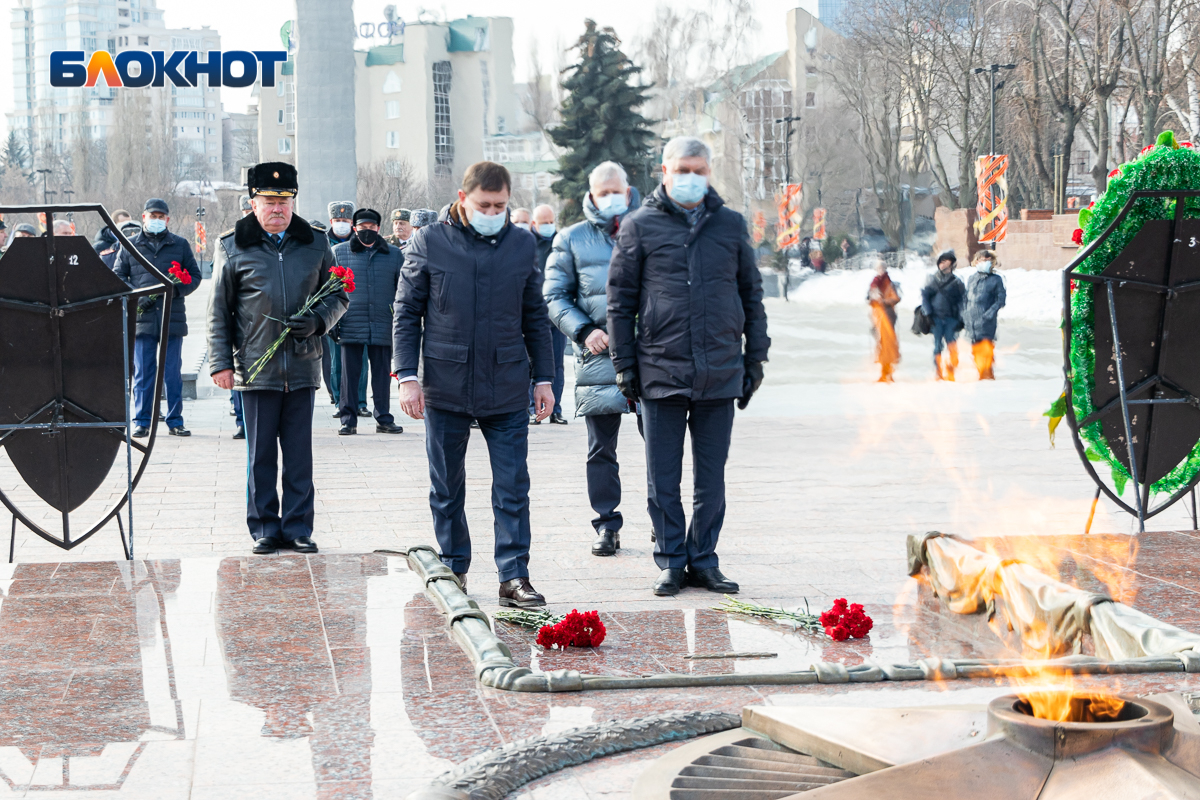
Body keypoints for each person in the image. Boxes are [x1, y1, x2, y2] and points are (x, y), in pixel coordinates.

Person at [608, 136, 770, 597]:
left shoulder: (730, 225)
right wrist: (624, 366)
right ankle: (672, 560)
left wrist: (754, 357)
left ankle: (704, 559)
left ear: (710, 173)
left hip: (719, 369)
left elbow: (751, 296)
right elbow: (620, 303)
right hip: (660, 368)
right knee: (663, 477)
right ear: (664, 170)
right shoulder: (639, 227)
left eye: (699, 170)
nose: (690, 178)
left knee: (711, 476)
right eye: (683, 169)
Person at [394, 161, 555, 607]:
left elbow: (535, 318)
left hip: (505, 382)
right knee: (446, 483)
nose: (493, 211)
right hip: (446, 382)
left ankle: (514, 575)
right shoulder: (430, 242)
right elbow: (407, 312)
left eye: (501, 205)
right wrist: (407, 377)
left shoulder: (521, 245)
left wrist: (544, 378)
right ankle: (454, 565)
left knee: (512, 484)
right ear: (463, 199)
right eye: (485, 204)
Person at [208, 161, 348, 555]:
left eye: (284, 201)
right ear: (253, 202)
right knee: (261, 455)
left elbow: (339, 295)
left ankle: (299, 527)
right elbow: (219, 310)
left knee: (300, 455)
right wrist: (221, 363)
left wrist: (318, 321)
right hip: (256, 367)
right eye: (269, 201)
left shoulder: (316, 244)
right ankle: (265, 527)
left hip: (302, 365)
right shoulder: (232, 246)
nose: (277, 209)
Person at [545, 162, 640, 556]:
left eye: (616, 191)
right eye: (603, 193)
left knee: (663, 445)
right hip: (598, 356)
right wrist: (585, 331)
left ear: (629, 189)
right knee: (601, 448)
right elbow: (554, 296)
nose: (611, 198)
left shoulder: (652, 229)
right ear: (591, 194)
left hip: (651, 354)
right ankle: (606, 523)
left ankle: (665, 525)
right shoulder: (571, 239)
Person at [114, 198, 202, 438]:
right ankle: (141, 420)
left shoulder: (180, 245)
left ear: (167, 219)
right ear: (143, 217)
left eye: (161, 216)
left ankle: (175, 420)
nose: (156, 220)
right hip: (142, 319)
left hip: (171, 317)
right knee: (143, 372)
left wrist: (177, 290)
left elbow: (194, 276)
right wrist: (136, 295)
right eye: (152, 215)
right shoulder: (129, 245)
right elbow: (117, 276)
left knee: (172, 371)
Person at [332, 207, 404, 435]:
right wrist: (331, 322)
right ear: (355, 228)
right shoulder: (339, 252)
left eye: (371, 227)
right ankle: (348, 419)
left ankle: (383, 417)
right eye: (362, 227)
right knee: (349, 375)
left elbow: (402, 290)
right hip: (350, 321)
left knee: (382, 375)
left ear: (378, 229)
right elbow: (330, 290)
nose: (367, 231)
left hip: (383, 322)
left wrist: (399, 320)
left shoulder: (394, 254)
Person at [324, 201, 368, 415]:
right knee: (336, 361)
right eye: (338, 220)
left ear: (352, 223)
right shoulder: (322, 243)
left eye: (346, 221)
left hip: (358, 309)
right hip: (333, 311)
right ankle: (339, 401)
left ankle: (360, 402)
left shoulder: (362, 242)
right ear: (331, 222)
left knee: (361, 360)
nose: (341, 224)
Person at [529, 203, 567, 425]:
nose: (548, 226)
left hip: (556, 313)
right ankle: (534, 408)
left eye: (551, 222)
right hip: (533, 313)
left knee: (556, 363)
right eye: (544, 223)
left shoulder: (561, 242)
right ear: (534, 224)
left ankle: (556, 409)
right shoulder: (525, 244)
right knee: (531, 363)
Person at [921, 250, 967, 381]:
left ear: (952, 264)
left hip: (951, 319)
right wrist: (928, 314)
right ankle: (938, 372)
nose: (943, 264)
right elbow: (925, 297)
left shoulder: (957, 282)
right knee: (937, 346)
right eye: (941, 262)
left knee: (952, 345)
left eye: (946, 262)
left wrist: (961, 317)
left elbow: (962, 300)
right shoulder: (932, 280)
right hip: (936, 319)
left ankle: (951, 370)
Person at [964, 248, 1006, 380]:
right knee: (975, 348)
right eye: (983, 260)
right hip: (972, 320)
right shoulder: (972, 278)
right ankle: (980, 370)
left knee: (987, 347)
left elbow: (1001, 300)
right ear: (976, 262)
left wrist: (989, 313)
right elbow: (966, 297)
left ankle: (987, 372)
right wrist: (964, 314)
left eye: (989, 261)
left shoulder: (996, 279)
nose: (986, 263)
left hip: (987, 320)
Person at [867, 258, 901, 382]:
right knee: (880, 344)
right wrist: (873, 301)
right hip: (878, 317)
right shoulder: (873, 283)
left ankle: (890, 372)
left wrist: (885, 301)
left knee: (889, 344)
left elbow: (896, 298)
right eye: (878, 268)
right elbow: (869, 299)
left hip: (889, 316)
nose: (880, 270)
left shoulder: (890, 283)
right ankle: (883, 372)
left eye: (882, 268)